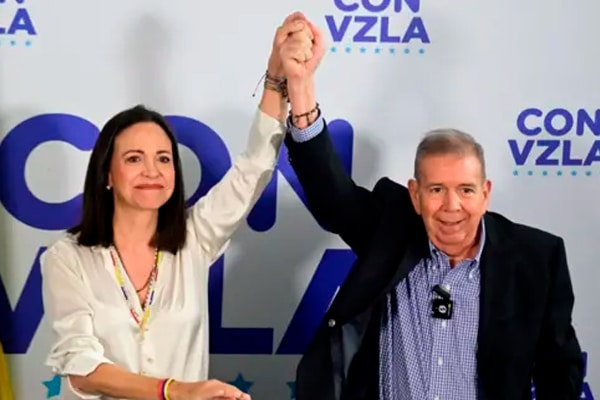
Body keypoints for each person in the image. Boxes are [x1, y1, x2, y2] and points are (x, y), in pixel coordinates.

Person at [277, 15, 585, 400]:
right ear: (415, 195)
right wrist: (301, 87)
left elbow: (560, 369)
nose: (451, 207)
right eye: (437, 189)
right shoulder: (391, 230)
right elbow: (332, 194)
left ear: (486, 193)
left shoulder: (537, 258)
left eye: (466, 190)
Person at [40, 14, 310, 400]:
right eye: (134, 158)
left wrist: (275, 78)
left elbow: (253, 168)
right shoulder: (66, 258)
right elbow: (81, 368)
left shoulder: (195, 237)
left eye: (163, 159)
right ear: (107, 174)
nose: (152, 171)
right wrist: (174, 390)